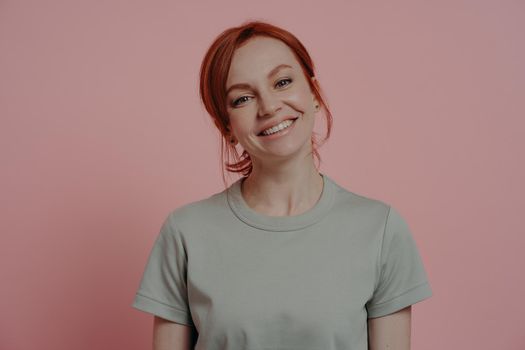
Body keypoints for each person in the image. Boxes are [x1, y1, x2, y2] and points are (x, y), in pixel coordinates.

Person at [132, 20, 433, 350]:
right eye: (243, 98)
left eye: (283, 82)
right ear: (227, 127)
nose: (270, 107)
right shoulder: (185, 233)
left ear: (314, 94)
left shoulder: (380, 230)